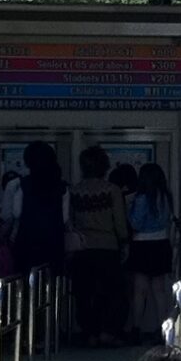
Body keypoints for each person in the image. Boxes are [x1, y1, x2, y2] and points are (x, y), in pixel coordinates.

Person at [66, 148, 130, 347]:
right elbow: (119, 220)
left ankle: (90, 333)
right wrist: (124, 241)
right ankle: (108, 332)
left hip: (82, 247)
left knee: (84, 293)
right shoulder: (112, 190)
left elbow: (70, 220)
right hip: (108, 246)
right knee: (114, 292)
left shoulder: (74, 191)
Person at [3, 140, 70, 281]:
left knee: (24, 285)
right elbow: (65, 218)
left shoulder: (19, 185)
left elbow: (14, 213)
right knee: (52, 285)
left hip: (25, 244)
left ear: (28, 162)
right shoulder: (62, 187)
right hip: (54, 245)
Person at [127, 163, 175, 336]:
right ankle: (163, 328)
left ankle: (136, 328)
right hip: (161, 243)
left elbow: (135, 223)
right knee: (159, 290)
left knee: (140, 290)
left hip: (141, 244)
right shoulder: (165, 197)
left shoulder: (141, 199)